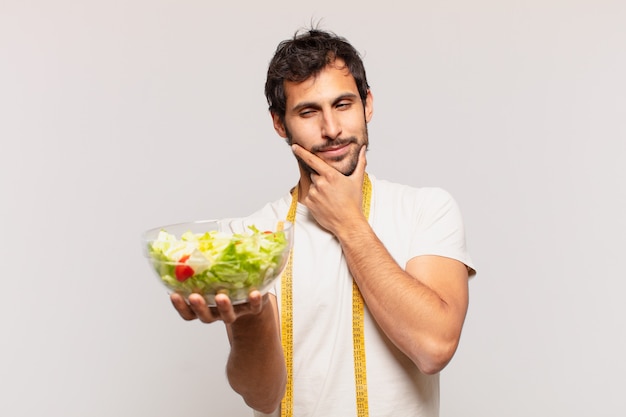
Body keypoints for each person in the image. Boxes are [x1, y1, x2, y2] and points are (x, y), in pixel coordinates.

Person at [170, 28, 475, 417]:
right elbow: (262, 397)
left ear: (368, 105)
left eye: (343, 104)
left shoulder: (427, 209)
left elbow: (434, 347)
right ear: (280, 124)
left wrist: (348, 222)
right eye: (309, 111)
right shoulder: (253, 237)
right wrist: (251, 317)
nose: (331, 129)